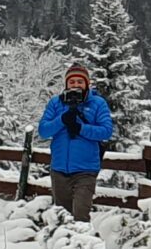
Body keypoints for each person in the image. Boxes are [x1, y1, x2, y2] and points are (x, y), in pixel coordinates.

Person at [37, 62, 115, 221]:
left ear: (87, 83)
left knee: (80, 215)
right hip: (59, 169)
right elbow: (43, 131)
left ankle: (84, 237)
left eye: (80, 81)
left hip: (86, 170)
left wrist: (80, 128)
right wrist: (62, 120)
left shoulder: (97, 103)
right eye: (72, 82)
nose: (76, 85)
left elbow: (106, 131)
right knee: (62, 217)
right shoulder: (56, 103)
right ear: (66, 84)